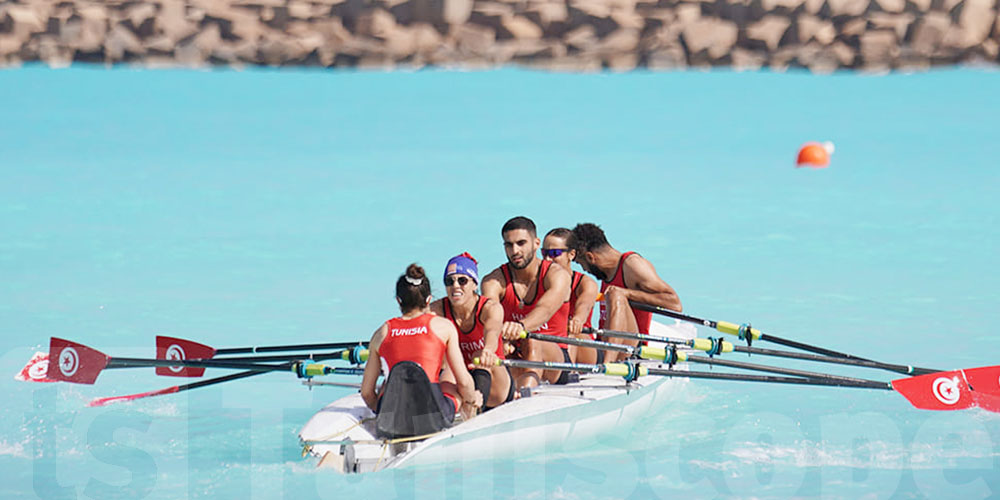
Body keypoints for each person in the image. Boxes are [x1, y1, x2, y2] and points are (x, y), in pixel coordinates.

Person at [360, 264, 482, 438]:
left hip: (391, 421)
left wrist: (381, 412)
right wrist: (472, 398)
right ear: (428, 300)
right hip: (432, 419)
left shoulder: (381, 333)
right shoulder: (443, 327)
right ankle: (468, 424)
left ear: (398, 300)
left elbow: (366, 392)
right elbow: (464, 382)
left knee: (386, 387)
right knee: (450, 379)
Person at [482, 216, 572, 391]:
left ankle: (523, 397)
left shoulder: (557, 275)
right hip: (513, 353)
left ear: (536, 243)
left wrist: (521, 327)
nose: (515, 251)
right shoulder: (493, 281)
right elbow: (489, 318)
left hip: (555, 358)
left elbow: (545, 309)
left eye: (521, 243)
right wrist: (501, 340)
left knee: (532, 341)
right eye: (509, 245)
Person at [570, 223, 682, 362]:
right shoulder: (605, 273)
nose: (585, 270)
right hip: (602, 343)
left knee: (616, 295)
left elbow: (674, 303)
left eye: (581, 263)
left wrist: (627, 294)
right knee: (571, 332)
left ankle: (607, 365)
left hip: (631, 348)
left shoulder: (632, 265)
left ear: (590, 257)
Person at [429, 252, 514, 410]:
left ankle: (474, 410)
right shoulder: (436, 309)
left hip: (496, 385)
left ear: (474, 284)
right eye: (449, 281)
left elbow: (493, 330)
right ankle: (452, 412)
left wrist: (488, 350)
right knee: (448, 367)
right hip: (460, 381)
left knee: (479, 357)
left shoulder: (490, 308)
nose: (455, 286)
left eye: (462, 280)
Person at [541, 228, 600, 364]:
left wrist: (578, 319)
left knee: (570, 332)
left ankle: (568, 374)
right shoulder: (537, 282)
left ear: (571, 254)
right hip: (552, 343)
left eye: (554, 253)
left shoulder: (585, 283)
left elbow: (584, 305)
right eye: (544, 253)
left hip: (583, 346)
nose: (547, 259)